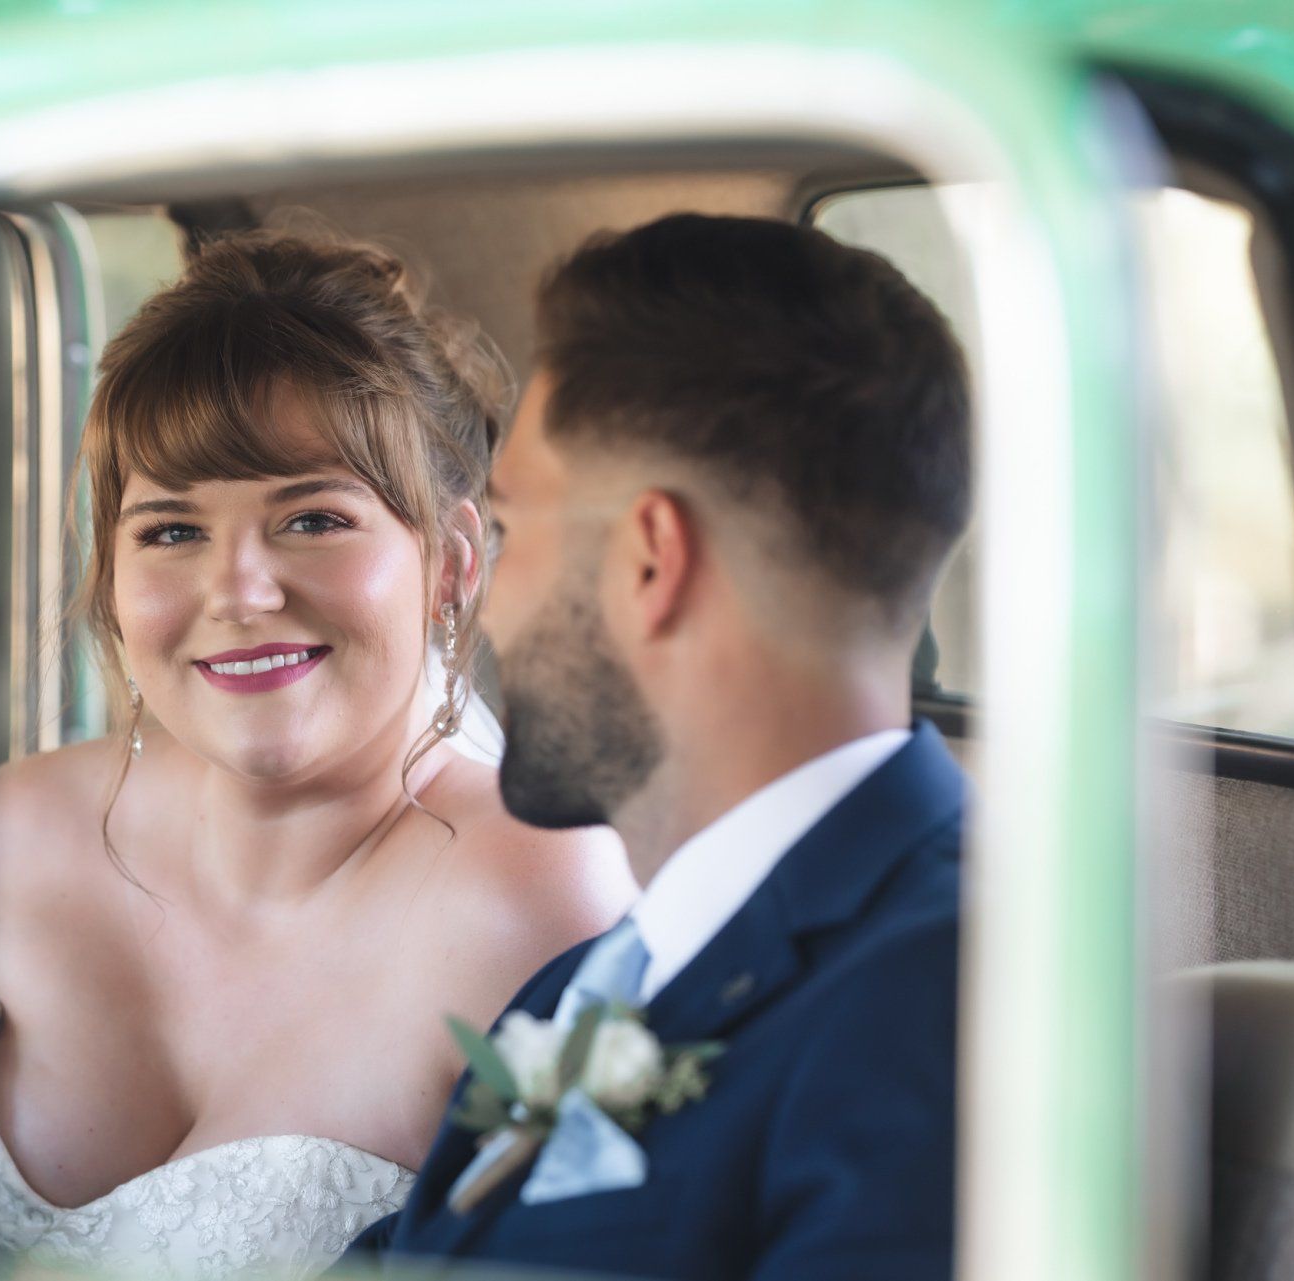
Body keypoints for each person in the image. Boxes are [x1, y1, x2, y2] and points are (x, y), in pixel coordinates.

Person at [0, 231, 634, 1277]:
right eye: (171, 532)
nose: (239, 592)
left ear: (448, 564)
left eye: (312, 518)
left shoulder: (541, 891)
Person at [346, 213, 972, 1278]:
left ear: (649, 558)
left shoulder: (942, 1006)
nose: (486, 606)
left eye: (506, 530)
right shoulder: (587, 983)